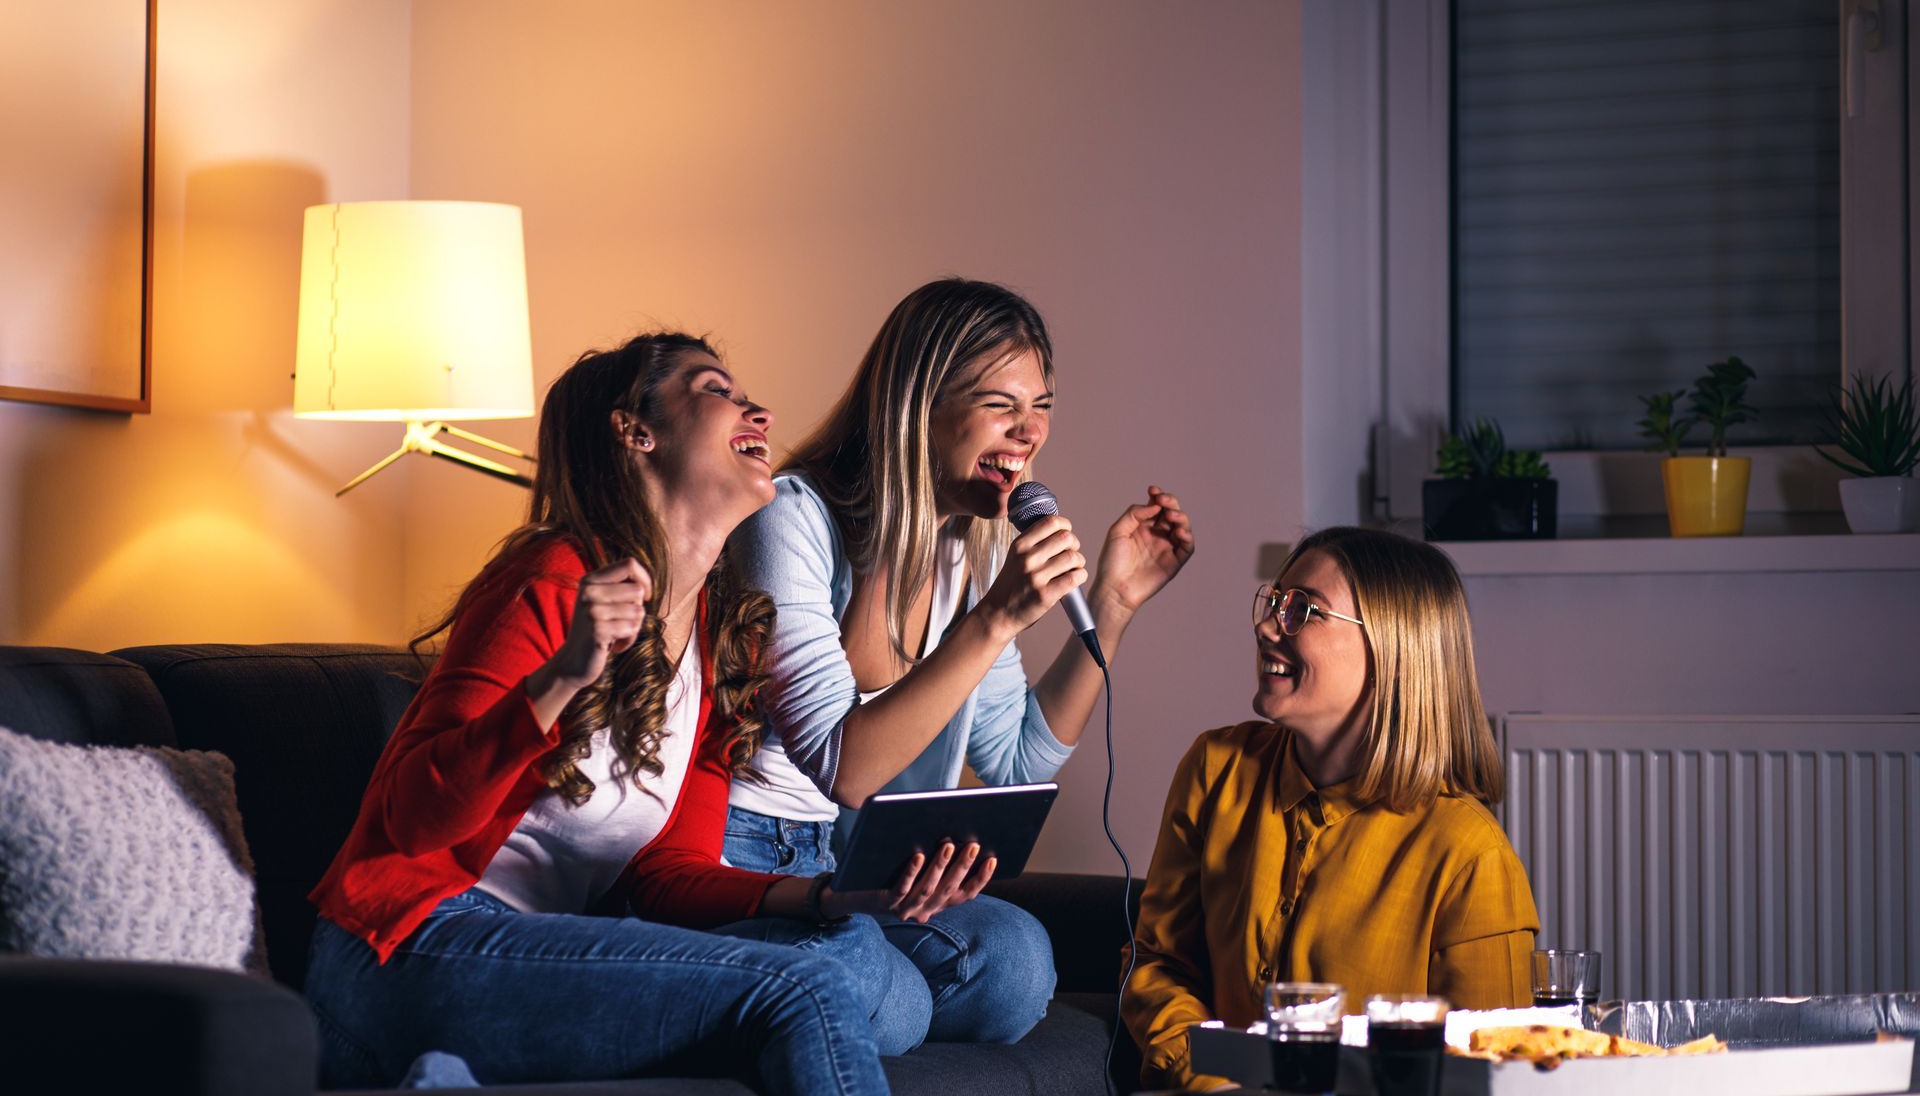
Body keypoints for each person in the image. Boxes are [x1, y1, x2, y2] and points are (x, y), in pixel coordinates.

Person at [305, 333, 990, 1093]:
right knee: (804, 990)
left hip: (538, 952)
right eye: (716, 390)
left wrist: (827, 898)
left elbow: (668, 874)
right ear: (637, 431)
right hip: (406, 945)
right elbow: (413, 817)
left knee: (835, 956)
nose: (756, 408)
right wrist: (563, 678)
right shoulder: (553, 579)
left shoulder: (718, 632)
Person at [724, 278, 1195, 1045]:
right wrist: (995, 618)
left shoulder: (960, 550)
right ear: (918, 404)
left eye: (1041, 406)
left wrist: (1111, 606)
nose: (1029, 432)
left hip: (845, 863)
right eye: (1001, 405)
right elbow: (845, 769)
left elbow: (1016, 761)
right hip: (745, 853)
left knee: (1015, 962)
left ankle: (835, 1002)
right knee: (896, 999)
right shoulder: (790, 518)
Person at [1122, 527, 1538, 1091]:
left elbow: (1493, 1073)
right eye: (1274, 603)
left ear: (1394, 647)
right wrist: (1212, 1083)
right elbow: (1158, 965)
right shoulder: (1215, 767)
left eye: (1304, 610)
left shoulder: (1470, 854)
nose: (1267, 625)